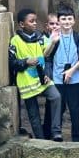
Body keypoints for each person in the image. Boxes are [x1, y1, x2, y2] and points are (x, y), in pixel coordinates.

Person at [9, 8, 62, 141]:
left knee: (56, 97)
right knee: (34, 115)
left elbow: (47, 54)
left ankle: (56, 132)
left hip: (42, 77)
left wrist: (53, 42)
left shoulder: (40, 37)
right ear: (22, 24)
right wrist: (25, 62)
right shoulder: (15, 41)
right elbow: (11, 62)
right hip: (26, 81)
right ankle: (41, 139)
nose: (34, 24)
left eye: (35, 21)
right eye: (31, 21)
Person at [48, 5, 79, 142]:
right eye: (63, 19)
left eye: (69, 19)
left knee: (76, 109)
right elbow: (45, 55)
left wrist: (71, 71)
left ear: (74, 20)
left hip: (75, 78)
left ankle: (78, 138)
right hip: (58, 78)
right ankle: (56, 134)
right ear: (58, 21)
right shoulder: (53, 36)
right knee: (58, 108)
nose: (66, 22)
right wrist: (52, 41)